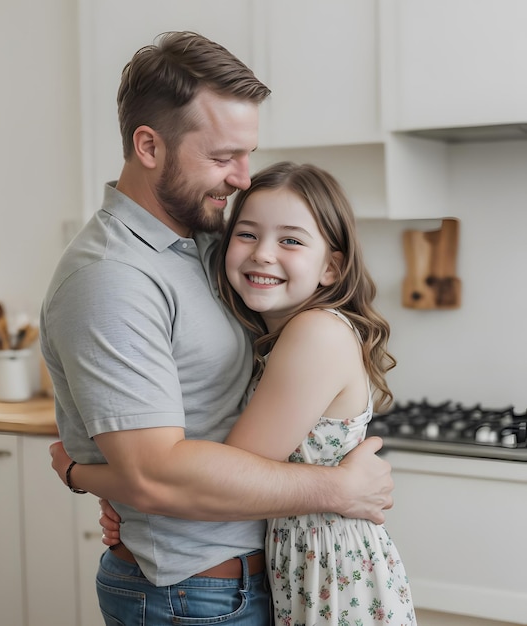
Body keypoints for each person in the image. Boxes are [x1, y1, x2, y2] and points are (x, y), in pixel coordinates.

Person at [41, 30, 394, 626]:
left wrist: (97, 477)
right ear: (148, 146)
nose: (241, 178)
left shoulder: (208, 242)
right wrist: (334, 489)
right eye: (222, 156)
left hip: (254, 579)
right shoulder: (112, 279)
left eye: (247, 153)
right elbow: (154, 472)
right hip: (193, 596)